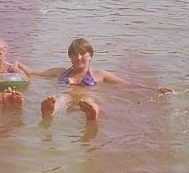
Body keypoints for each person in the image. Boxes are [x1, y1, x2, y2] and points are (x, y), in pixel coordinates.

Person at [19, 38, 172, 121]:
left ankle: (92, 114)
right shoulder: (60, 72)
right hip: (67, 96)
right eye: (74, 54)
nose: (78, 57)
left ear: (90, 56)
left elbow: (126, 84)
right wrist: (16, 65)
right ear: (70, 57)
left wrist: (154, 89)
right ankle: (49, 111)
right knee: (59, 99)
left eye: (82, 53)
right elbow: (33, 72)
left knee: (90, 100)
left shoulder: (99, 74)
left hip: (87, 97)